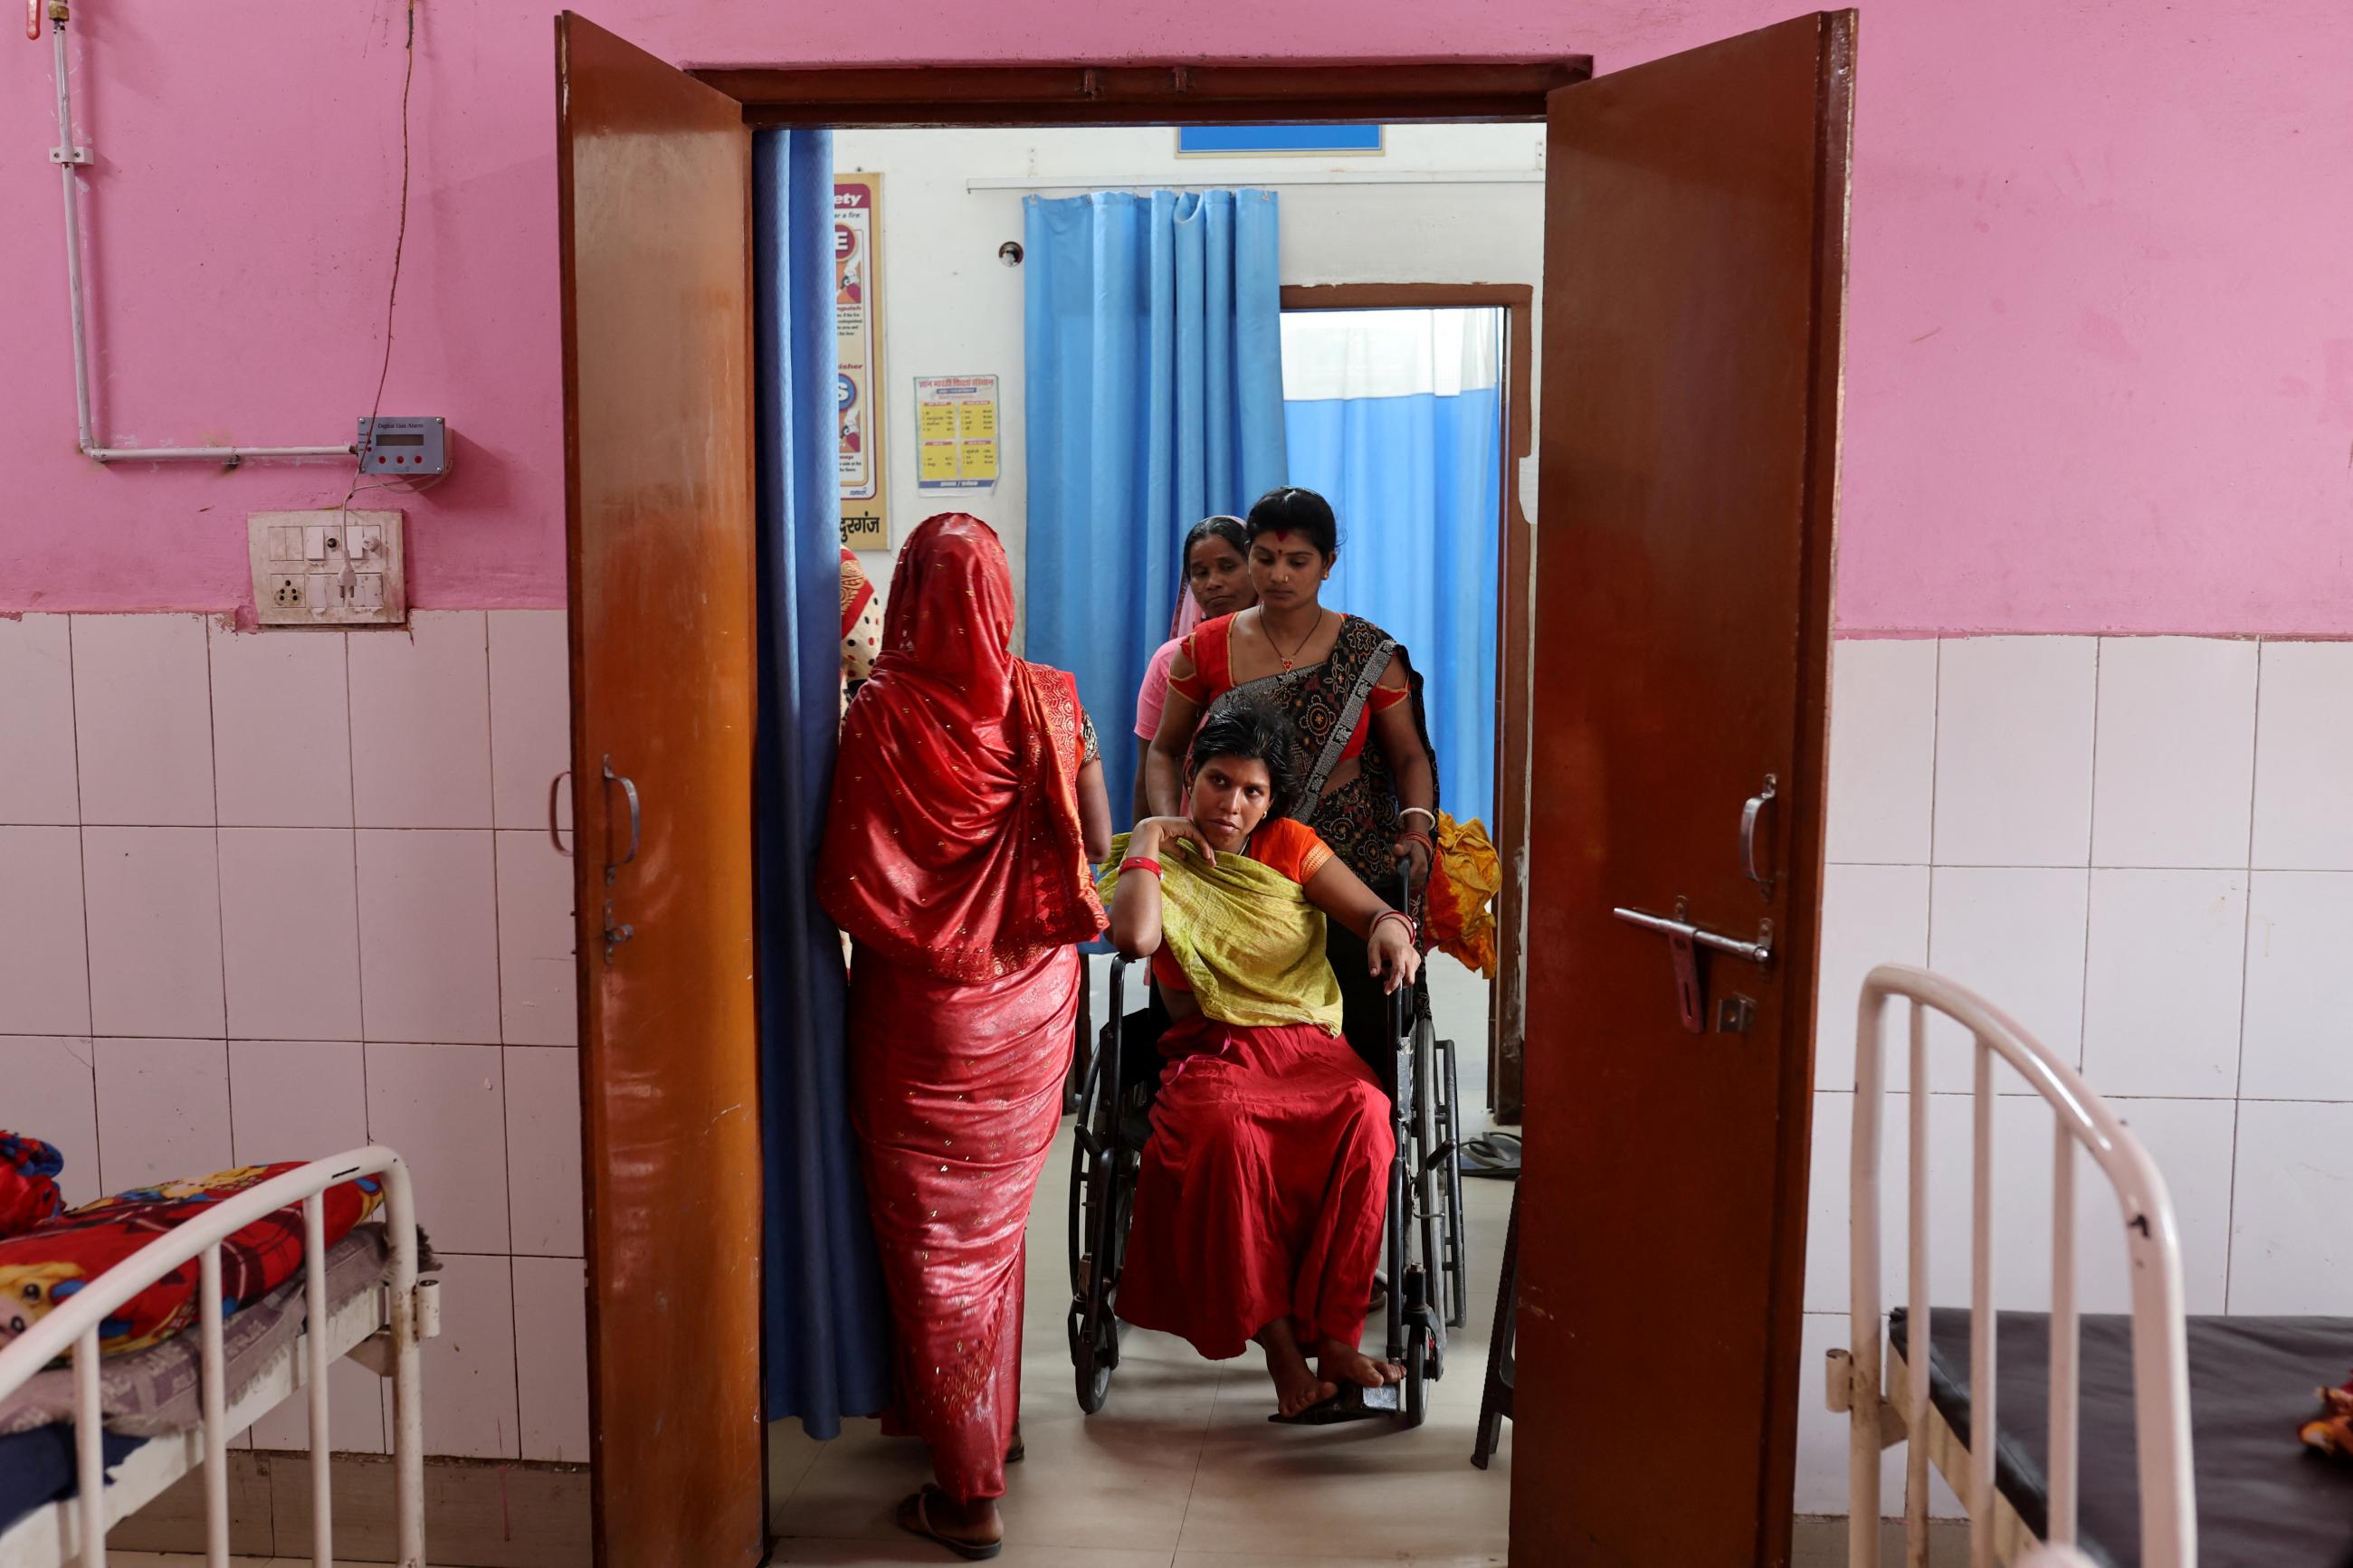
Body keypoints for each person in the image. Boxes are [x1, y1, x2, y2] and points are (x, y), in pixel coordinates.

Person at [816, 513, 1109, 1561]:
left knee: (935, 1244)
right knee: (990, 1237)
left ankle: (967, 1487)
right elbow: (1096, 852)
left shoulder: (879, 712)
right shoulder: (1053, 695)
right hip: (1035, 1005)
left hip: (926, 1013)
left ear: (906, 593)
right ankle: (988, 1424)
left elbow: (852, 885)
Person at [1105, 696, 1421, 1417]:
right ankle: (1283, 1354)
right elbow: (1134, 940)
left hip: (1310, 1047)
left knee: (1368, 1113)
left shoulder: (1290, 846)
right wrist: (1151, 835)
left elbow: (1373, 910)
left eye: (1253, 792)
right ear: (1193, 774)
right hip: (1213, 1050)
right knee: (1219, 1131)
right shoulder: (1159, 852)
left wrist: (1391, 930)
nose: (1232, 804)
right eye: (1220, 781)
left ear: (1271, 801)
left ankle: (1338, 1337)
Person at [1144, 486, 1440, 1080]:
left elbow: (1409, 756)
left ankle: (1357, 1094)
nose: (1279, 575)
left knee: (1363, 972)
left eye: (1298, 561)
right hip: (1232, 851)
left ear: (1328, 564)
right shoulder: (1205, 648)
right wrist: (1170, 825)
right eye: (1265, 558)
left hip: (1348, 851)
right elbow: (1165, 750)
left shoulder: (1368, 653)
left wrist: (1419, 829)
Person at [1130, 515, 1257, 822]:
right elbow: (1152, 762)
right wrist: (1147, 852)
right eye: (1200, 572)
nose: (1213, 582)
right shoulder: (1171, 660)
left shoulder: (1288, 653)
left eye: (1228, 567)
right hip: (1195, 842)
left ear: (1256, 568)